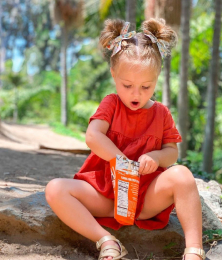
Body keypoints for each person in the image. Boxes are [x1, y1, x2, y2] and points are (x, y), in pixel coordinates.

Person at [45, 18, 205, 260]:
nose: (136, 94)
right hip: (106, 196)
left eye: (146, 87)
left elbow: (171, 152)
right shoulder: (111, 103)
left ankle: (194, 250)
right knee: (55, 189)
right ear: (113, 74)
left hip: (144, 199)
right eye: (128, 85)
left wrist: (155, 156)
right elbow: (93, 135)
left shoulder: (161, 113)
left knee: (182, 174)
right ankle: (106, 240)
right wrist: (121, 161)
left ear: (157, 79)